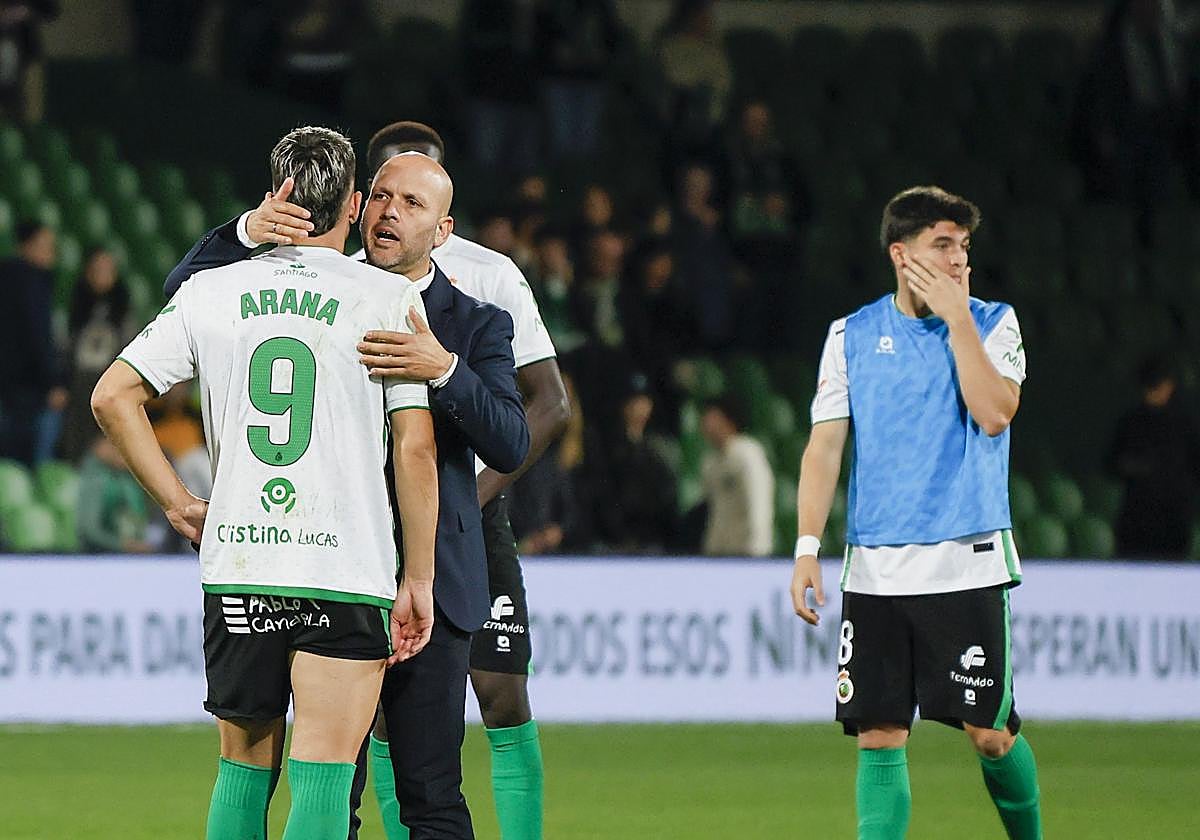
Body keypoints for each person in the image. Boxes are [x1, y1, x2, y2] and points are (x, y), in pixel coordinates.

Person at [165, 133, 542, 840]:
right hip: (327, 571)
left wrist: (443, 369)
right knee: (330, 791)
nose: (391, 212)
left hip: (432, 587)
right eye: (383, 196)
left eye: (413, 203)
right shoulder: (325, 296)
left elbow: (512, 442)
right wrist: (245, 232)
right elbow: (185, 294)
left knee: (431, 796)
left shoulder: (477, 323)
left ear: (443, 231)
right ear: (360, 205)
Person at [92, 126, 441, 839]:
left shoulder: (210, 290)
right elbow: (416, 449)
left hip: (243, 561)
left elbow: (112, 397)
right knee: (324, 774)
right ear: (354, 204)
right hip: (344, 565)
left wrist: (178, 503)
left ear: (276, 194)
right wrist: (420, 576)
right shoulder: (387, 297)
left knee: (243, 768)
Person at [790, 186, 1041, 840]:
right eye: (943, 244)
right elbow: (824, 447)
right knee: (878, 734)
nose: (959, 259)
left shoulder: (994, 323)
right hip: (876, 569)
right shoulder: (850, 335)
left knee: (989, 735)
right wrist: (807, 547)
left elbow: (994, 413)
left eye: (964, 246)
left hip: (966, 562)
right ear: (901, 255)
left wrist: (958, 322)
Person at [1107, 354, 1200, 558]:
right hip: (1138, 521)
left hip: (1172, 520)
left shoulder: (1184, 425)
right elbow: (1112, 465)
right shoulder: (1131, 423)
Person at [59, 247, 133, 462]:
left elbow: (128, 347)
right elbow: (67, 346)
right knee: (75, 439)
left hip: (108, 382)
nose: (103, 275)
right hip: (78, 384)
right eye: (98, 270)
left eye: (108, 270)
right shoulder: (77, 305)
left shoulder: (122, 307)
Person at [0, 219, 65, 465]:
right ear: (26, 246)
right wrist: (53, 382)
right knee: (34, 464)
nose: (51, 253)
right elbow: (38, 337)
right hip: (31, 390)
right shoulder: (32, 283)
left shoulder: (8, 278)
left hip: (8, 386)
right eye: (45, 246)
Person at [699, 395, 773, 556]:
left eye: (712, 416)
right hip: (718, 552)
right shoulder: (710, 463)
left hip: (746, 553)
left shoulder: (748, 454)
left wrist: (757, 550)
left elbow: (758, 505)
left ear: (728, 419)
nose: (706, 422)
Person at [75, 433, 152, 554]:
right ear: (102, 445)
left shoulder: (126, 479)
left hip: (129, 553)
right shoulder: (94, 480)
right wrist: (123, 545)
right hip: (93, 555)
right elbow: (89, 530)